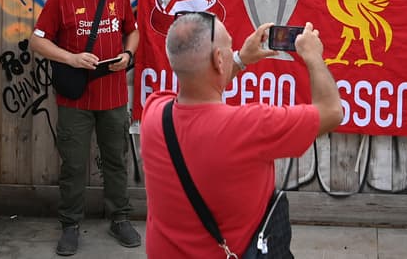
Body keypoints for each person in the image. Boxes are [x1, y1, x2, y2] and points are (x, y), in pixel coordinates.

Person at [140, 15, 344, 257]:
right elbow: (331, 111)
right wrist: (313, 56)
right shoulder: (251, 126)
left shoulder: (154, 112)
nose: (232, 50)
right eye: (229, 46)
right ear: (218, 59)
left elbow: (199, 84)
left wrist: (239, 59)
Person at [29, 0, 141, 255]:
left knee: (115, 161)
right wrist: (72, 58)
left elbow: (133, 33)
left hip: (114, 97)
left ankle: (119, 218)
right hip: (74, 99)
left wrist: (129, 55)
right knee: (74, 165)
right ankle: (70, 225)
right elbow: (37, 41)